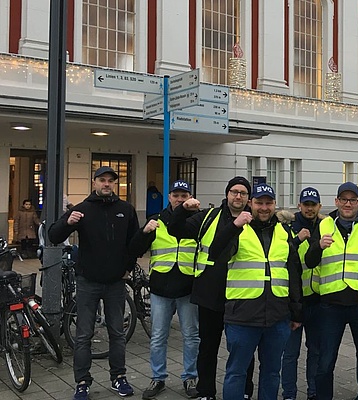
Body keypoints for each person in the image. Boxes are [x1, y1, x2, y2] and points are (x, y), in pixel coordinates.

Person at [48, 166, 139, 400]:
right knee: (83, 336)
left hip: (115, 284)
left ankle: (119, 378)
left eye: (111, 180)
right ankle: (82, 382)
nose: (107, 184)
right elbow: (54, 236)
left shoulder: (126, 210)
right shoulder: (81, 209)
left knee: (117, 334)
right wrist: (68, 221)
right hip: (88, 282)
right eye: (102, 180)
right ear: (94, 182)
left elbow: (134, 244)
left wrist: (127, 268)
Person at [206, 183, 302, 400]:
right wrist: (233, 226)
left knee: (270, 373)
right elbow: (215, 252)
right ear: (251, 204)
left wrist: (296, 312)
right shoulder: (238, 229)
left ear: (275, 205)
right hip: (243, 317)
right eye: (259, 203)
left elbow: (293, 273)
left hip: (277, 317)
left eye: (269, 203)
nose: (264, 208)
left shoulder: (283, 232)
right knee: (236, 373)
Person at [169, 176, 255, 400]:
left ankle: (244, 390)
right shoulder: (209, 217)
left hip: (243, 296)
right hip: (210, 294)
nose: (238, 196)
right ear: (227, 194)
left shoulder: (255, 220)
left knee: (243, 349)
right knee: (208, 347)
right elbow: (175, 230)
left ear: (248, 198)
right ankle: (206, 391)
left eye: (243, 193)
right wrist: (182, 210)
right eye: (234, 192)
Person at [304, 182, 358, 400]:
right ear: (336, 202)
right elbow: (310, 262)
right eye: (344, 199)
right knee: (325, 364)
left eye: (352, 200)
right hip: (331, 306)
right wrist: (318, 246)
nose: (348, 204)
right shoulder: (324, 225)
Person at [128, 180, 200, 399]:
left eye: (184, 195)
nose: (180, 199)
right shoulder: (156, 221)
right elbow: (136, 249)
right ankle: (158, 378)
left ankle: (190, 377)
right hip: (160, 288)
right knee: (158, 336)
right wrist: (144, 232)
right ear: (169, 197)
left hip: (188, 287)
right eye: (176, 195)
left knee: (191, 336)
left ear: (190, 197)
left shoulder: (198, 220)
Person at [278, 187, 324, 400]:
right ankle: (289, 394)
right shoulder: (286, 227)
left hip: (317, 300)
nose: (309, 208)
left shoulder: (325, 228)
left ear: (319, 207)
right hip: (293, 302)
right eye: (306, 204)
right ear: (299, 206)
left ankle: (314, 392)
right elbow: (280, 256)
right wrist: (296, 239)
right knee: (290, 354)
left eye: (313, 205)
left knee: (315, 351)